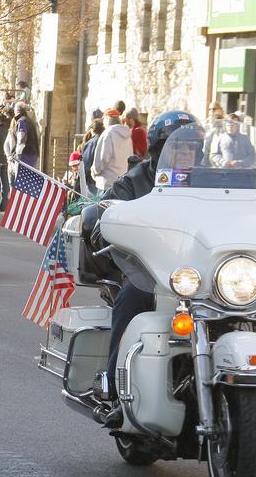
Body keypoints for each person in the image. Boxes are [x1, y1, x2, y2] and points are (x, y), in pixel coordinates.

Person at [81, 111, 200, 428]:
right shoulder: (135, 181)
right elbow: (103, 217)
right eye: (179, 148)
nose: (186, 154)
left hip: (201, 273)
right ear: (161, 149)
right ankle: (114, 388)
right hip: (148, 269)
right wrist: (109, 220)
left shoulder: (213, 184)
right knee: (133, 298)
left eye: (191, 148)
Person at [92, 110, 134, 190]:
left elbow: (103, 158)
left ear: (108, 119)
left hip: (107, 181)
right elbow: (130, 156)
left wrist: (94, 171)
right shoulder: (128, 135)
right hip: (123, 181)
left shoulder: (108, 133)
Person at [9, 102, 40, 168]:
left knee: (22, 176)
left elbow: (21, 139)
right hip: (33, 154)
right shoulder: (30, 121)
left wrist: (17, 155)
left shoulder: (21, 121)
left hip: (25, 155)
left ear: (17, 110)